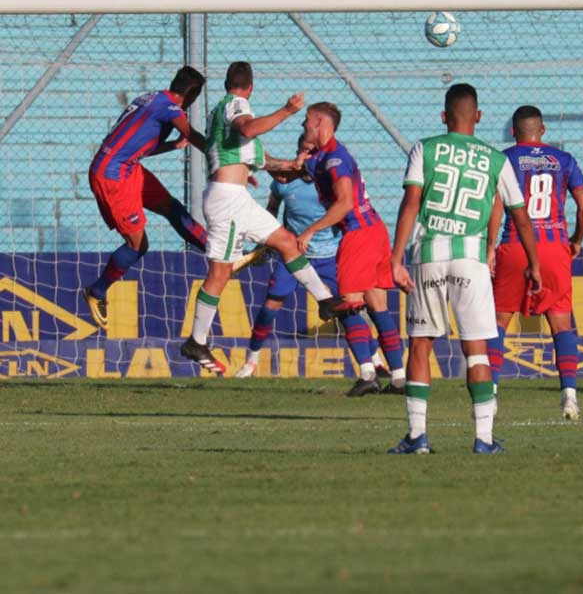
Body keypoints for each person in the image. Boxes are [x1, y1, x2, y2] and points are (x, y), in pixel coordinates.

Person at [388, 83, 542, 455]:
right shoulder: (495, 159)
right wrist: (534, 263)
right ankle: (484, 439)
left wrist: (395, 259)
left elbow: (410, 204)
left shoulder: (425, 148)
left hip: (429, 255)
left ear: (444, 117)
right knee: (476, 350)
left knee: (421, 346)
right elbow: (520, 216)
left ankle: (418, 437)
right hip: (471, 259)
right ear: (478, 117)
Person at [180, 62, 354, 375]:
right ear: (250, 86)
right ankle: (197, 339)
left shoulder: (228, 118)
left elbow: (268, 161)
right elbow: (249, 127)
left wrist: (296, 165)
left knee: (288, 243)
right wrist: (287, 110)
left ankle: (326, 300)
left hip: (235, 198)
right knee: (220, 274)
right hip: (227, 201)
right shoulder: (236, 105)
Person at [233, 135, 387, 380]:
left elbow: (346, 209)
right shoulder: (283, 183)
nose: (305, 156)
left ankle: (375, 362)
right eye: (301, 151)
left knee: (349, 309)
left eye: (310, 151)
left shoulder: (330, 180)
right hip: (294, 254)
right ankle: (251, 361)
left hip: (331, 255)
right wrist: (267, 239)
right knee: (270, 307)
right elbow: (273, 209)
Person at [487, 105, 583, 420]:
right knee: (561, 323)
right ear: (542, 130)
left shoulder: (504, 158)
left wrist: (491, 246)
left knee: (498, 322)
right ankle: (570, 398)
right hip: (554, 247)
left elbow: (496, 204)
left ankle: (490, 397)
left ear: (514, 132)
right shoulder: (564, 160)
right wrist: (576, 239)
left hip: (516, 245)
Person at [84, 66, 209, 329]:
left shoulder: (150, 98)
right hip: (112, 176)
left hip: (128, 167)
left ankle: (214, 249)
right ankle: (96, 292)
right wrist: (224, 157)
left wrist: (173, 146)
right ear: (191, 94)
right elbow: (193, 135)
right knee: (137, 245)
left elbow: (140, 147)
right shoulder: (171, 109)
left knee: (171, 207)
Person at [296, 102, 407, 396]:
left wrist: (310, 229)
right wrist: (260, 160)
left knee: (347, 305)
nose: (303, 125)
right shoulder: (324, 157)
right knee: (377, 306)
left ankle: (368, 374)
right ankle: (398, 378)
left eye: (306, 120)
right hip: (375, 231)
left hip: (358, 234)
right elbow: (289, 171)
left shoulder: (335, 159)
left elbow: (344, 202)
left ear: (320, 122)